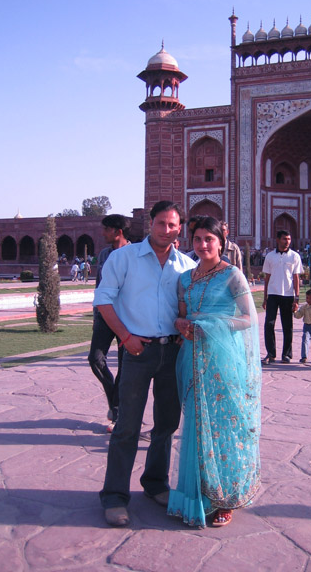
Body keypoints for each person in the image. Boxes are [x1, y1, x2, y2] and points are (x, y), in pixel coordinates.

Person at [93, 201, 196, 527]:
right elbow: (103, 299)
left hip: (172, 352)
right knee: (127, 426)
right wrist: (125, 337)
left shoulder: (186, 265)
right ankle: (114, 496)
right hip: (137, 350)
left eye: (173, 225)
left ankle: (155, 483)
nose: (167, 229)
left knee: (166, 425)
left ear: (180, 229)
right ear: (150, 223)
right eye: (161, 223)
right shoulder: (124, 258)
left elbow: (192, 307)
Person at [167, 216, 261, 528]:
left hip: (224, 360)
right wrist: (181, 323)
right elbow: (182, 316)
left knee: (225, 425)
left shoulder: (232, 275)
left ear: (221, 242)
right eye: (197, 239)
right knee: (197, 426)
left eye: (209, 239)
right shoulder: (185, 279)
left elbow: (248, 318)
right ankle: (197, 496)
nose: (203, 244)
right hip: (193, 358)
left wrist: (210, 326)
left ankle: (226, 497)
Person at [88, 214, 132, 433]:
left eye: (106, 229)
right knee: (95, 359)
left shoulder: (134, 254)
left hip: (126, 318)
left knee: (125, 366)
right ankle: (115, 398)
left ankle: (118, 411)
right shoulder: (105, 254)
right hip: (105, 315)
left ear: (118, 231)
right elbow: (99, 286)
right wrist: (96, 313)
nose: (103, 233)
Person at [261, 230, 303, 364]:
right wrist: (265, 297)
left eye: (289, 239)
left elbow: (296, 278)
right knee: (269, 324)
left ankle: (286, 354)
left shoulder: (294, 256)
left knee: (287, 325)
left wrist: (297, 298)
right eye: (284, 239)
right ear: (278, 240)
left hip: (288, 294)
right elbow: (267, 278)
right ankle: (271, 353)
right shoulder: (270, 256)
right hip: (273, 294)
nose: (287, 242)